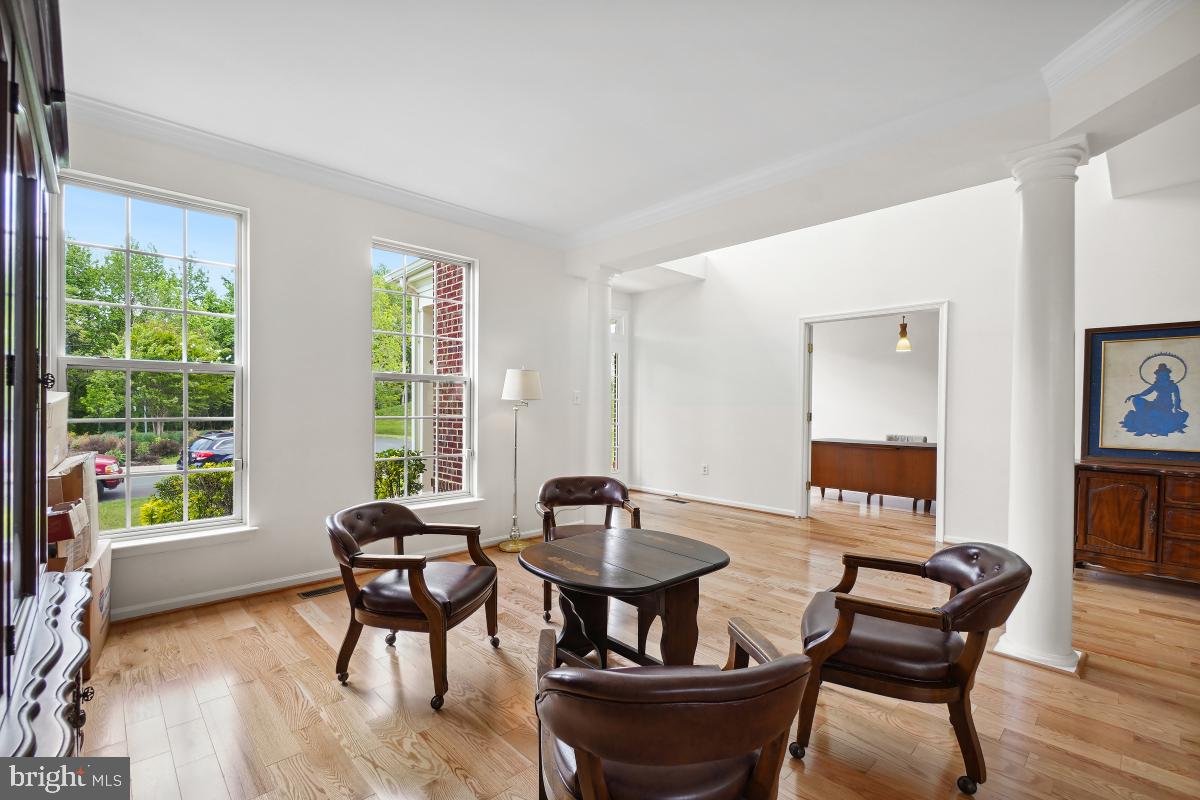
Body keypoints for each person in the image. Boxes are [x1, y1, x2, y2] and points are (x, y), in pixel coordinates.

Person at [1121, 362, 1188, 437]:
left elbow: (1177, 398)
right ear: (1157, 375)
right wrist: (1134, 395)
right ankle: (1141, 422)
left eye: (1164, 374)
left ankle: (1146, 425)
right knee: (1137, 400)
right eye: (1160, 374)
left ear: (1167, 375)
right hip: (1156, 403)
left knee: (1158, 414)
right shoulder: (1156, 385)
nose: (1162, 376)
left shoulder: (1173, 386)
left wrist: (1177, 408)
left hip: (1166, 406)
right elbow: (1146, 392)